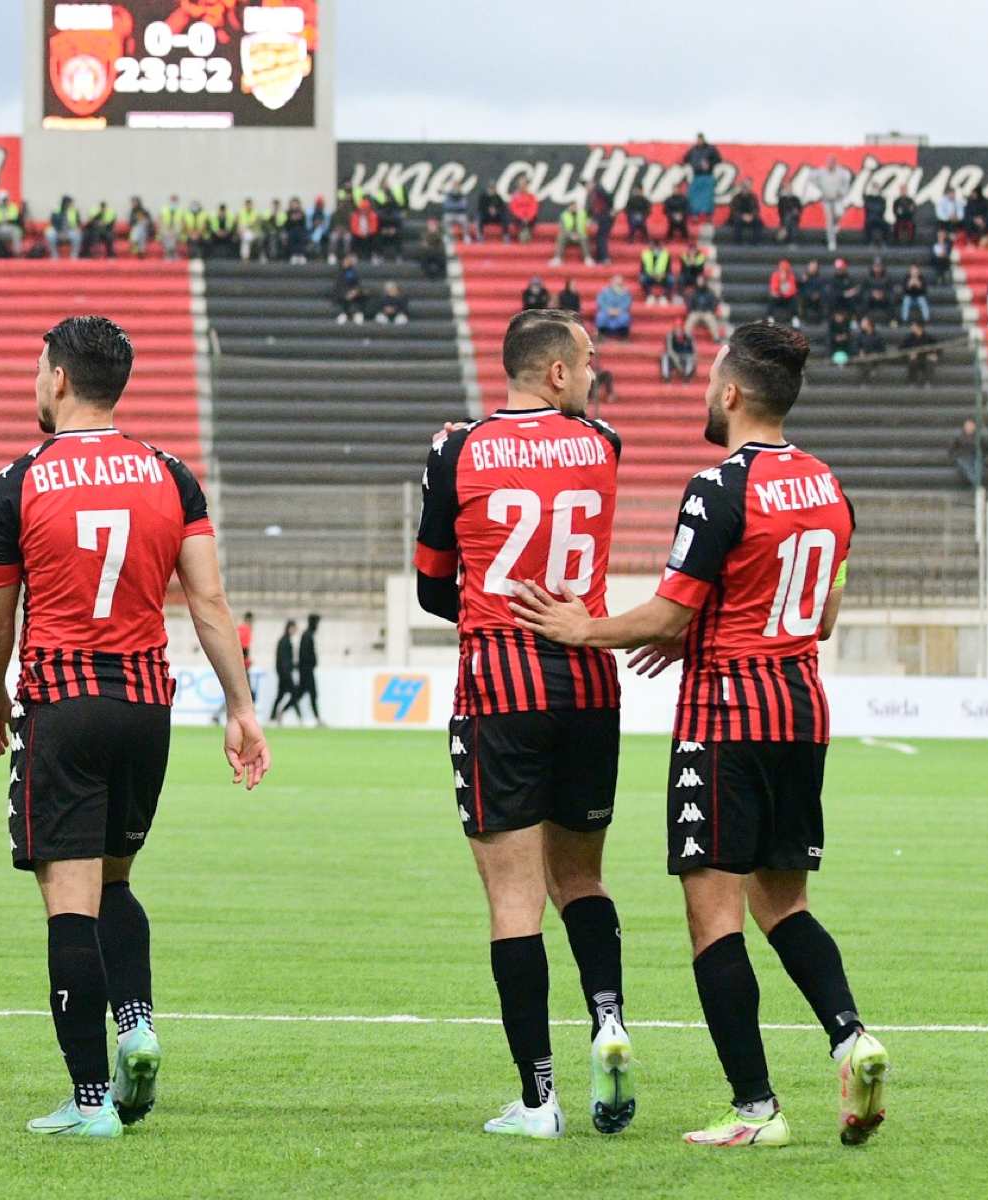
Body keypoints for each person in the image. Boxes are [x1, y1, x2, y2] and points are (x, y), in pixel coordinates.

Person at [514, 322, 887, 1151]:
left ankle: (754, 1108)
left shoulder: (719, 486)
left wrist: (585, 627)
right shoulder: (831, 487)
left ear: (731, 394)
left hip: (728, 716)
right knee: (783, 901)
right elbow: (820, 615)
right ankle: (852, 1037)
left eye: (707, 382)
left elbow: (672, 610)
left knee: (712, 916)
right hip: (802, 708)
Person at [0, 315, 270, 1138]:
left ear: (60, 379)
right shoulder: (172, 476)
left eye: (40, 368)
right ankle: (135, 1023)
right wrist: (241, 709)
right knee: (115, 882)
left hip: (63, 704)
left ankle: (91, 1100)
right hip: (147, 706)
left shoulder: (19, 480)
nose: (37, 381)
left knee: (67, 902)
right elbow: (209, 603)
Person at [415, 307, 635, 1141]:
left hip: (500, 685)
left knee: (514, 902)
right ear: (554, 373)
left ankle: (540, 1099)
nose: (594, 372)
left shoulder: (457, 448)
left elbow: (437, 587)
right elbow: (589, 440)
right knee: (581, 877)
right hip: (588, 679)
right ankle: (610, 1023)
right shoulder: (602, 444)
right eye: (586, 360)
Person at [809, 157, 855, 251]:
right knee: (829, 221)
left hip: (837, 199)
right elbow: (810, 177)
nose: (830, 165)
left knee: (839, 214)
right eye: (828, 163)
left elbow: (846, 183)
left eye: (832, 163)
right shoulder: (821, 172)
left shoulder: (841, 172)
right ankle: (832, 242)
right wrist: (818, 187)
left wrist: (842, 192)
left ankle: (835, 224)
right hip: (826, 199)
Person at [684, 134, 723, 221]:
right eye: (698, 140)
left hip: (708, 175)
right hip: (696, 175)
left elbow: (719, 159)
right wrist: (692, 164)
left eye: (700, 139)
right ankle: (695, 215)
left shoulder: (711, 149)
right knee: (693, 196)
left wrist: (710, 164)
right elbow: (685, 158)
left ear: (703, 139)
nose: (699, 141)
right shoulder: (693, 149)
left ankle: (708, 216)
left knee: (708, 197)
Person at [269, 619, 300, 721]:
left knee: (281, 695)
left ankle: (273, 716)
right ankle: (295, 716)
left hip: (284, 673)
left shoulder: (285, 640)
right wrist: (286, 673)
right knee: (294, 694)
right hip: (285, 674)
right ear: (290, 628)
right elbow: (284, 660)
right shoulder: (284, 641)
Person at [950, 418, 988, 487]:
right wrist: (955, 456)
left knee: (978, 466)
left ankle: (977, 485)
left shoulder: (979, 437)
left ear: (974, 427)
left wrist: (983, 455)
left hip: (975, 457)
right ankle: (978, 485)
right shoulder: (959, 437)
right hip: (963, 457)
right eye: (967, 426)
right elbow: (952, 449)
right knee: (967, 467)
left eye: (970, 426)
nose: (968, 428)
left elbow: (985, 448)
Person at [898, 321, 939, 386]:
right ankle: (912, 382)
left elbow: (938, 347)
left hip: (925, 358)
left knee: (930, 362)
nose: (912, 328)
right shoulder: (909, 338)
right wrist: (909, 354)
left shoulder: (929, 338)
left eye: (914, 326)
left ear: (919, 328)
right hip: (914, 358)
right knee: (912, 361)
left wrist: (934, 355)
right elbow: (901, 348)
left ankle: (927, 382)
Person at [687, 278, 727, 342]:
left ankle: (716, 338)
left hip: (706, 312)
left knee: (711, 320)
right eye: (699, 282)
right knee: (690, 319)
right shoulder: (694, 293)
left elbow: (714, 302)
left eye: (701, 282)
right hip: (696, 311)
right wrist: (691, 310)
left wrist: (711, 311)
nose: (700, 284)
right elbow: (690, 303)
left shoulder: (709, 293)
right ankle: (687, 336)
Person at [552, 200, 591, 266]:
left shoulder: (582, 214)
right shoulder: (564, 215)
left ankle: (587, 258)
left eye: (575, 206)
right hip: (568, 235)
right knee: (561, 236)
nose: (574, 208)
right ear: (569, 207)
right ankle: (557, 258)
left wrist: (579, 234)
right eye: (572, 206)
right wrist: (571, 235)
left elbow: (586, 225)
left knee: (584, 237)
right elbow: (562, 228)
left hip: (579, 234)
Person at [595, 274, 633, 339]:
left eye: (619, 283)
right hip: (607, 311)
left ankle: (624, 337)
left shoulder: (626, 292)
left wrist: (619, 310)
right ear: (612, 282)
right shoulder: (605, 291)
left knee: (625, 317)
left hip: (620, 312)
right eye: (616, 282)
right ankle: (601, 335)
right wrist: (608, 310)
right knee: (600, 316)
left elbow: (627, 303)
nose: (618, 284)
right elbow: (600, 301)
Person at [860, 260, 895, 327]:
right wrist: (872, 294)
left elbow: (891, 290)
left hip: (884, 299)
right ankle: (863, 319)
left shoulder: (888, 278)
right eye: (876, 267)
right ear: (872, 268)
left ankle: (892, 320)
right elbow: (863, 290)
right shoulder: (867, 278)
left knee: (891, 298)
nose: (877, 269)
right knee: (865, 298)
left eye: (879, 267)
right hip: (871, 299)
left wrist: (883, 294)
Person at [0, 190, 24, 258]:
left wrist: (4, 220)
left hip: (10, 229)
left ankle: (17, 253)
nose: (5, 201)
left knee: (17, 230)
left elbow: (16, 221)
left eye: (6, 199)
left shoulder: (13, 207)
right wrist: (6, 220)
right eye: (3, 199)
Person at [639, 240, 674, 305]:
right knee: (642, 278)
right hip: (650, 275)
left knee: (671, 279)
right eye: (654, 247)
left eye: (658, 247)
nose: (656, 249)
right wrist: (651, 274)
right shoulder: (645, 254)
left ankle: (664, 296)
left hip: (662, 275)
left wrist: (664, 275)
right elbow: (642, 269)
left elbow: (669, 269)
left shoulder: (666, 254)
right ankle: (649, 295)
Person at [334, 254, 367, 324]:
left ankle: (356, 313)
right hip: (342, 296)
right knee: (344, 298)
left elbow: (358, 284)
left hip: (354, 296)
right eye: (346, 261)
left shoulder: (354, 272)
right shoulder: (339, 273)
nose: (347, 262)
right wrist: (346, 294)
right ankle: (343, 314)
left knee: (358, 298)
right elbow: (338, 287)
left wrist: (355, 292)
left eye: (349, 261)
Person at [588, 182, 616, 264]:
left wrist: (611, 209)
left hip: (605, 218)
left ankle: (605, 258)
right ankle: (600, 258)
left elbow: (609, 198)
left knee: (601, 238)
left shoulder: (599, 191)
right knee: (600, 237)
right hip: (604, 218)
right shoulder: (594, 194)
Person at [729, 178, 764, 243]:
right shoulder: (736, 197)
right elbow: (733, 210)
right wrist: (742, 216)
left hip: (750, 218)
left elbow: (756, 209)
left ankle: (755, 242)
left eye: (748, 186)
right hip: (740, 218)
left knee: (759, 222)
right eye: (744, 186)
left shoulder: (753, 197)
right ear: (742, 187)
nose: (746, 188)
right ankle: (738, 242)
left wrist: (751, 216)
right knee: (737, 222)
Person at [853, 317, 887, 382]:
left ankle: (872, 374)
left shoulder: (878, 336)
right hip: (862, 357)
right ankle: (865, 379)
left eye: (863, 323)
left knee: (872, 359)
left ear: (869, 324)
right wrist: (859, 351)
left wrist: (875, 353)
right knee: (863, 361)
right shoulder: (859, 335)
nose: (861, 324)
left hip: (874, 357)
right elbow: (855, 346)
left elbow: (882, 349)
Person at [350, 195, 382, 263]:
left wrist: (367, 233)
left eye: (365, 209)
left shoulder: (373, 215)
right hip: (358, 234)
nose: (363, 211)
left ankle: (375, 255)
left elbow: (374, 227)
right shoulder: (355, 215)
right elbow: (353, 227)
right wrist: (359, 233)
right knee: (353, 238)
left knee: (376, 238)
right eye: (362, 209)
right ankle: (353, 256)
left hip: (369, 234)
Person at [767, 259, 799, 326]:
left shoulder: (791, 276)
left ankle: (794, 318)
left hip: (788, 298)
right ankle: (770, 318)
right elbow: (773, 288)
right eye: (782, 269)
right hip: (779, 297)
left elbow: (793, 290)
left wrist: (784, 291)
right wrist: (781, 282)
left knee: (794, 299)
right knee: (772, 298)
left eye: (785, 269)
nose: (783, 271)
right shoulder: (775, 275)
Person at [797, 259, 828, 325]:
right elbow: (799, 291)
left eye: (814, 267)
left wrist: (818, 295)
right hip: (806, 301)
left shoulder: (821, 279)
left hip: (818, 302)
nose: (813, 269)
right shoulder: (802, 279)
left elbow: (823, 290)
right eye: (811, 267)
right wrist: (801, 282)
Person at [158, 194, 186, 261]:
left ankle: (170, 254)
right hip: (166, 229)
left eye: (175, 200)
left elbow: (183, 222)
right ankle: (170, 254)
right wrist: (166, 228)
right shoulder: (163, 209)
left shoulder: (181, 210)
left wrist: (175, 229)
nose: (173, 202)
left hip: (177, 230)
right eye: (172, 200)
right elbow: (160, 221)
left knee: (173, 234)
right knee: (167, 234)